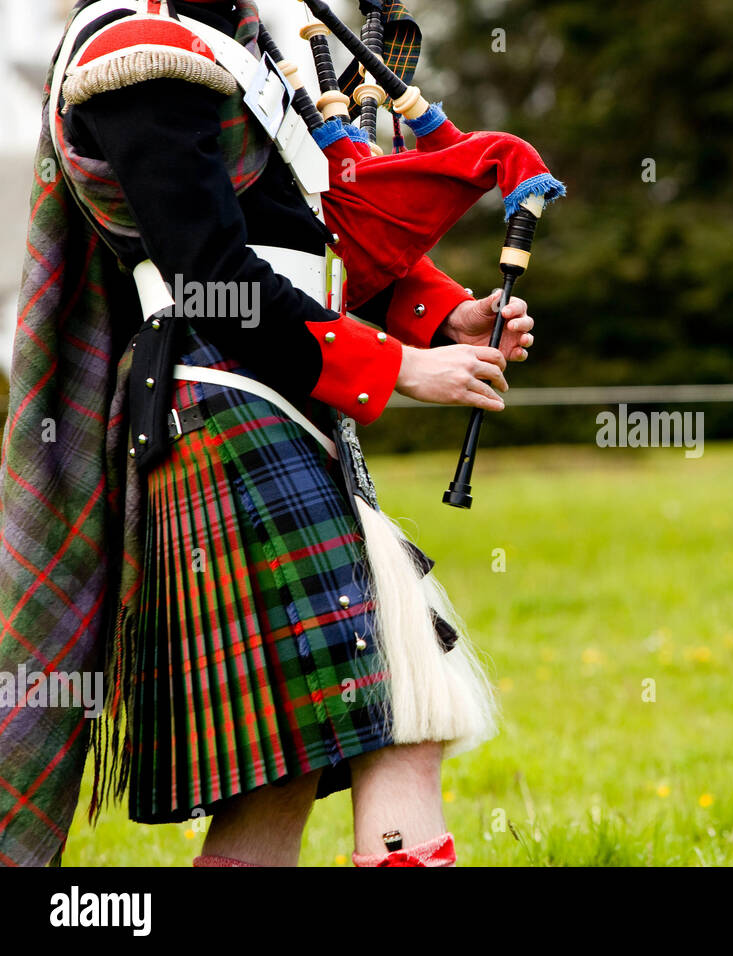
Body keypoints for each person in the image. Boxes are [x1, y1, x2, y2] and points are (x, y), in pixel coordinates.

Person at [0, 0, 528, 867]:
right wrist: (397, 368)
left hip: (259, 401)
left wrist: (441, 319)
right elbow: (212, 276)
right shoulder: (140, 53)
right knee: (397, 715)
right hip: (222, 404)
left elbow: (302, 238)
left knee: (289, 767)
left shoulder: (234, 47)